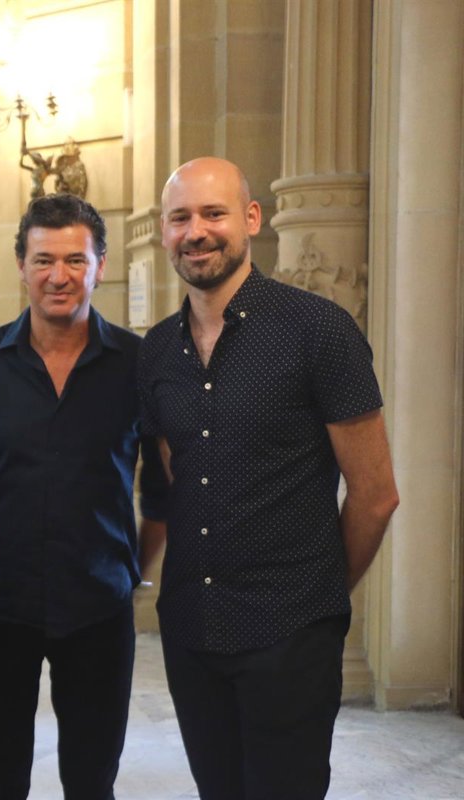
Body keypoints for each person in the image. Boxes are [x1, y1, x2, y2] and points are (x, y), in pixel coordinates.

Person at [138, 157, 400, 799]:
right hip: (192, 629)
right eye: (180, 218)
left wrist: (317, 595)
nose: (196, 232)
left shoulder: (319, 331)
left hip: (290, 634)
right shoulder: (157, 349)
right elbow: (179, 473)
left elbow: (375, 494)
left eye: (213, 213)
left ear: (251, 219)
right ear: (165, 231)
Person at [0, 193, 168, 800]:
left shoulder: (138, 364)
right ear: (21, 265)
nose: (58, 276)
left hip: (99, 609)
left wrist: (132, 573)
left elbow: (162, 489)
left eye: (74, 260)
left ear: (100, 266)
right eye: (43, 260)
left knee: (92, 780)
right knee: (0, 777)